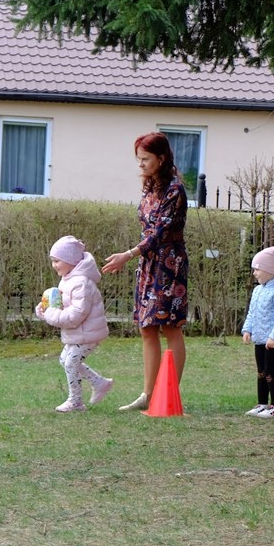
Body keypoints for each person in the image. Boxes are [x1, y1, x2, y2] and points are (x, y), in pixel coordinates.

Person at [103, 132, 188, 411]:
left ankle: (168, 395)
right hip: (148, 263)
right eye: (138, 159)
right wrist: (136, 257)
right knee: (147, 327)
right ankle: (148, 395)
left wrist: (127, 255)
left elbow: (159, 234)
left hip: (169, 265)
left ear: (161, 159)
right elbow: (147, 229)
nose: (140, 164)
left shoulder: (175, 190)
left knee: (169, 326)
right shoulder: (149, 186)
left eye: (145, 159)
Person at [36, 236, 113, 412]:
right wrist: (45, 310)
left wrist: (51, 314)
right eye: (53, 261)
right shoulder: (68, 279)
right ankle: (100, 383)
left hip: (88, 334)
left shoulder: (81, 283)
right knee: (64, 360)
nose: (54, 265)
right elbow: (62, 305)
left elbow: (76, 314)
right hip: (77, 333)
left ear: (71, 260)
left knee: (71, 363)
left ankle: (76, 401)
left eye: (57, 261)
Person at [241, 247, 274, 418]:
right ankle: (262, 403)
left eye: (257, 269)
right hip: (259, 339)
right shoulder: (258, 290)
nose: (254, 273)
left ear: (269, 270)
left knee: (270, 372)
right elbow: (252, 312)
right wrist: (247, 330)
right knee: (261, 373)